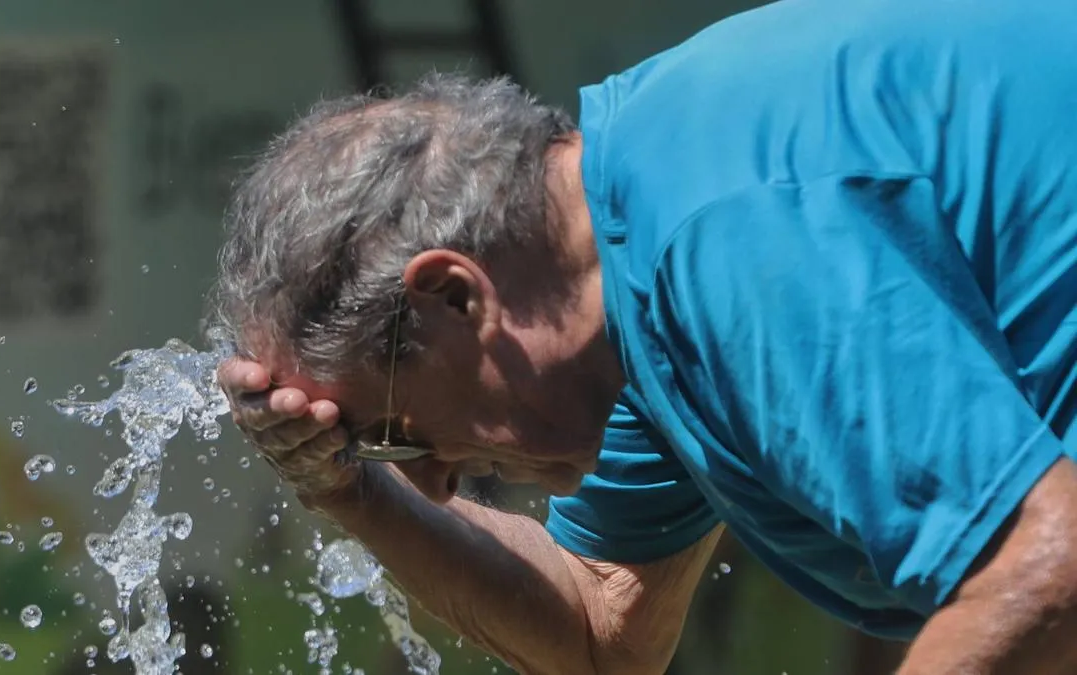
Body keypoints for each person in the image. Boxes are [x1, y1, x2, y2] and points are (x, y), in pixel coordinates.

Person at [211, 0, 1077, 672]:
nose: (435, 483)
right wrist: (350, 490)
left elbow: (1049, 567)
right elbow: (600, 630)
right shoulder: (633, 256)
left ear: (451, 296)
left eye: (393, 438)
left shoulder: (726, 239)